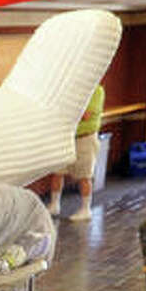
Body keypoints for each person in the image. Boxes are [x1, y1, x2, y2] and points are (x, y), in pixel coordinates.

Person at [47, 84, 104, 221]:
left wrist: (66, 109)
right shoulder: (72, 89)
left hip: (85, 137)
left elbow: (86, 115)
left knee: (84, 175)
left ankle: (86, 209)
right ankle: (54, 204)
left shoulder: (96, 90)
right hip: (66, 136)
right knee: (57, 172)